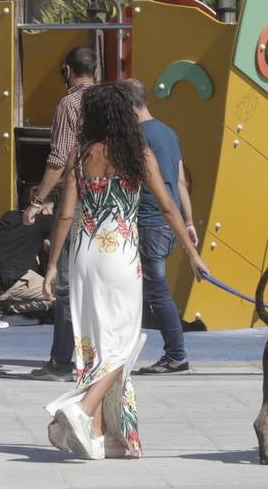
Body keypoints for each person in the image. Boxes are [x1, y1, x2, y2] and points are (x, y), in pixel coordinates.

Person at [42, 83, 210, 460]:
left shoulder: (79, 154)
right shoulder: (138, 154)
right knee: (125, 343)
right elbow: (167, 207)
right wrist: (191, 253)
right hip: (119, 257)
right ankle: (83, 409)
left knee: (95, 345)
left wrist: (53, 265)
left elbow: (66, 214)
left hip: (83, 257)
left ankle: (99, 434)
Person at [23, 46, 96, 381]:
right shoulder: (112, 101)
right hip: (110, 203)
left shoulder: (69, 104)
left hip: (78, 199)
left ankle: (61, 361)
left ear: (67, 70)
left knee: (65, 283)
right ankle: (97, 358)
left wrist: (38, 200)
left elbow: (59, 157)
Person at [122, 79, 199, 375]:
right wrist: (188, 221)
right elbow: (179, 181)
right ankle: (164, 352)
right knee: (149, 289)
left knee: (155, 290)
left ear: (129, 106)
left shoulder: (135, 137)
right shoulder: (168, 133)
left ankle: (176, 353)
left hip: (148, 219)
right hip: (168, 220)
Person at [0, 205, 54, 328]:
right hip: (3, 281)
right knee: (58, 295)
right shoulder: (44, 221)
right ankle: (2, 308)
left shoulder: (8, 216)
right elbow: (50, 245)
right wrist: (49, 219)